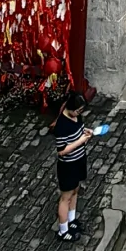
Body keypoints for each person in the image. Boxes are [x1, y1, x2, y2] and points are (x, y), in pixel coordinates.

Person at [54, 88, 96, 240]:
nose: (79, 113)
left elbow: (79, 131)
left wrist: (86, 132)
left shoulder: (76, 118)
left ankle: (71, 220)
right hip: (68, 166)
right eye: (78, 111)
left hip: (79, 160)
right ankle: (63, 231)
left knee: (75, 190)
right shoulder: (61, 125)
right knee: (65, 197)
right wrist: (80, 141)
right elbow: (62, 151)